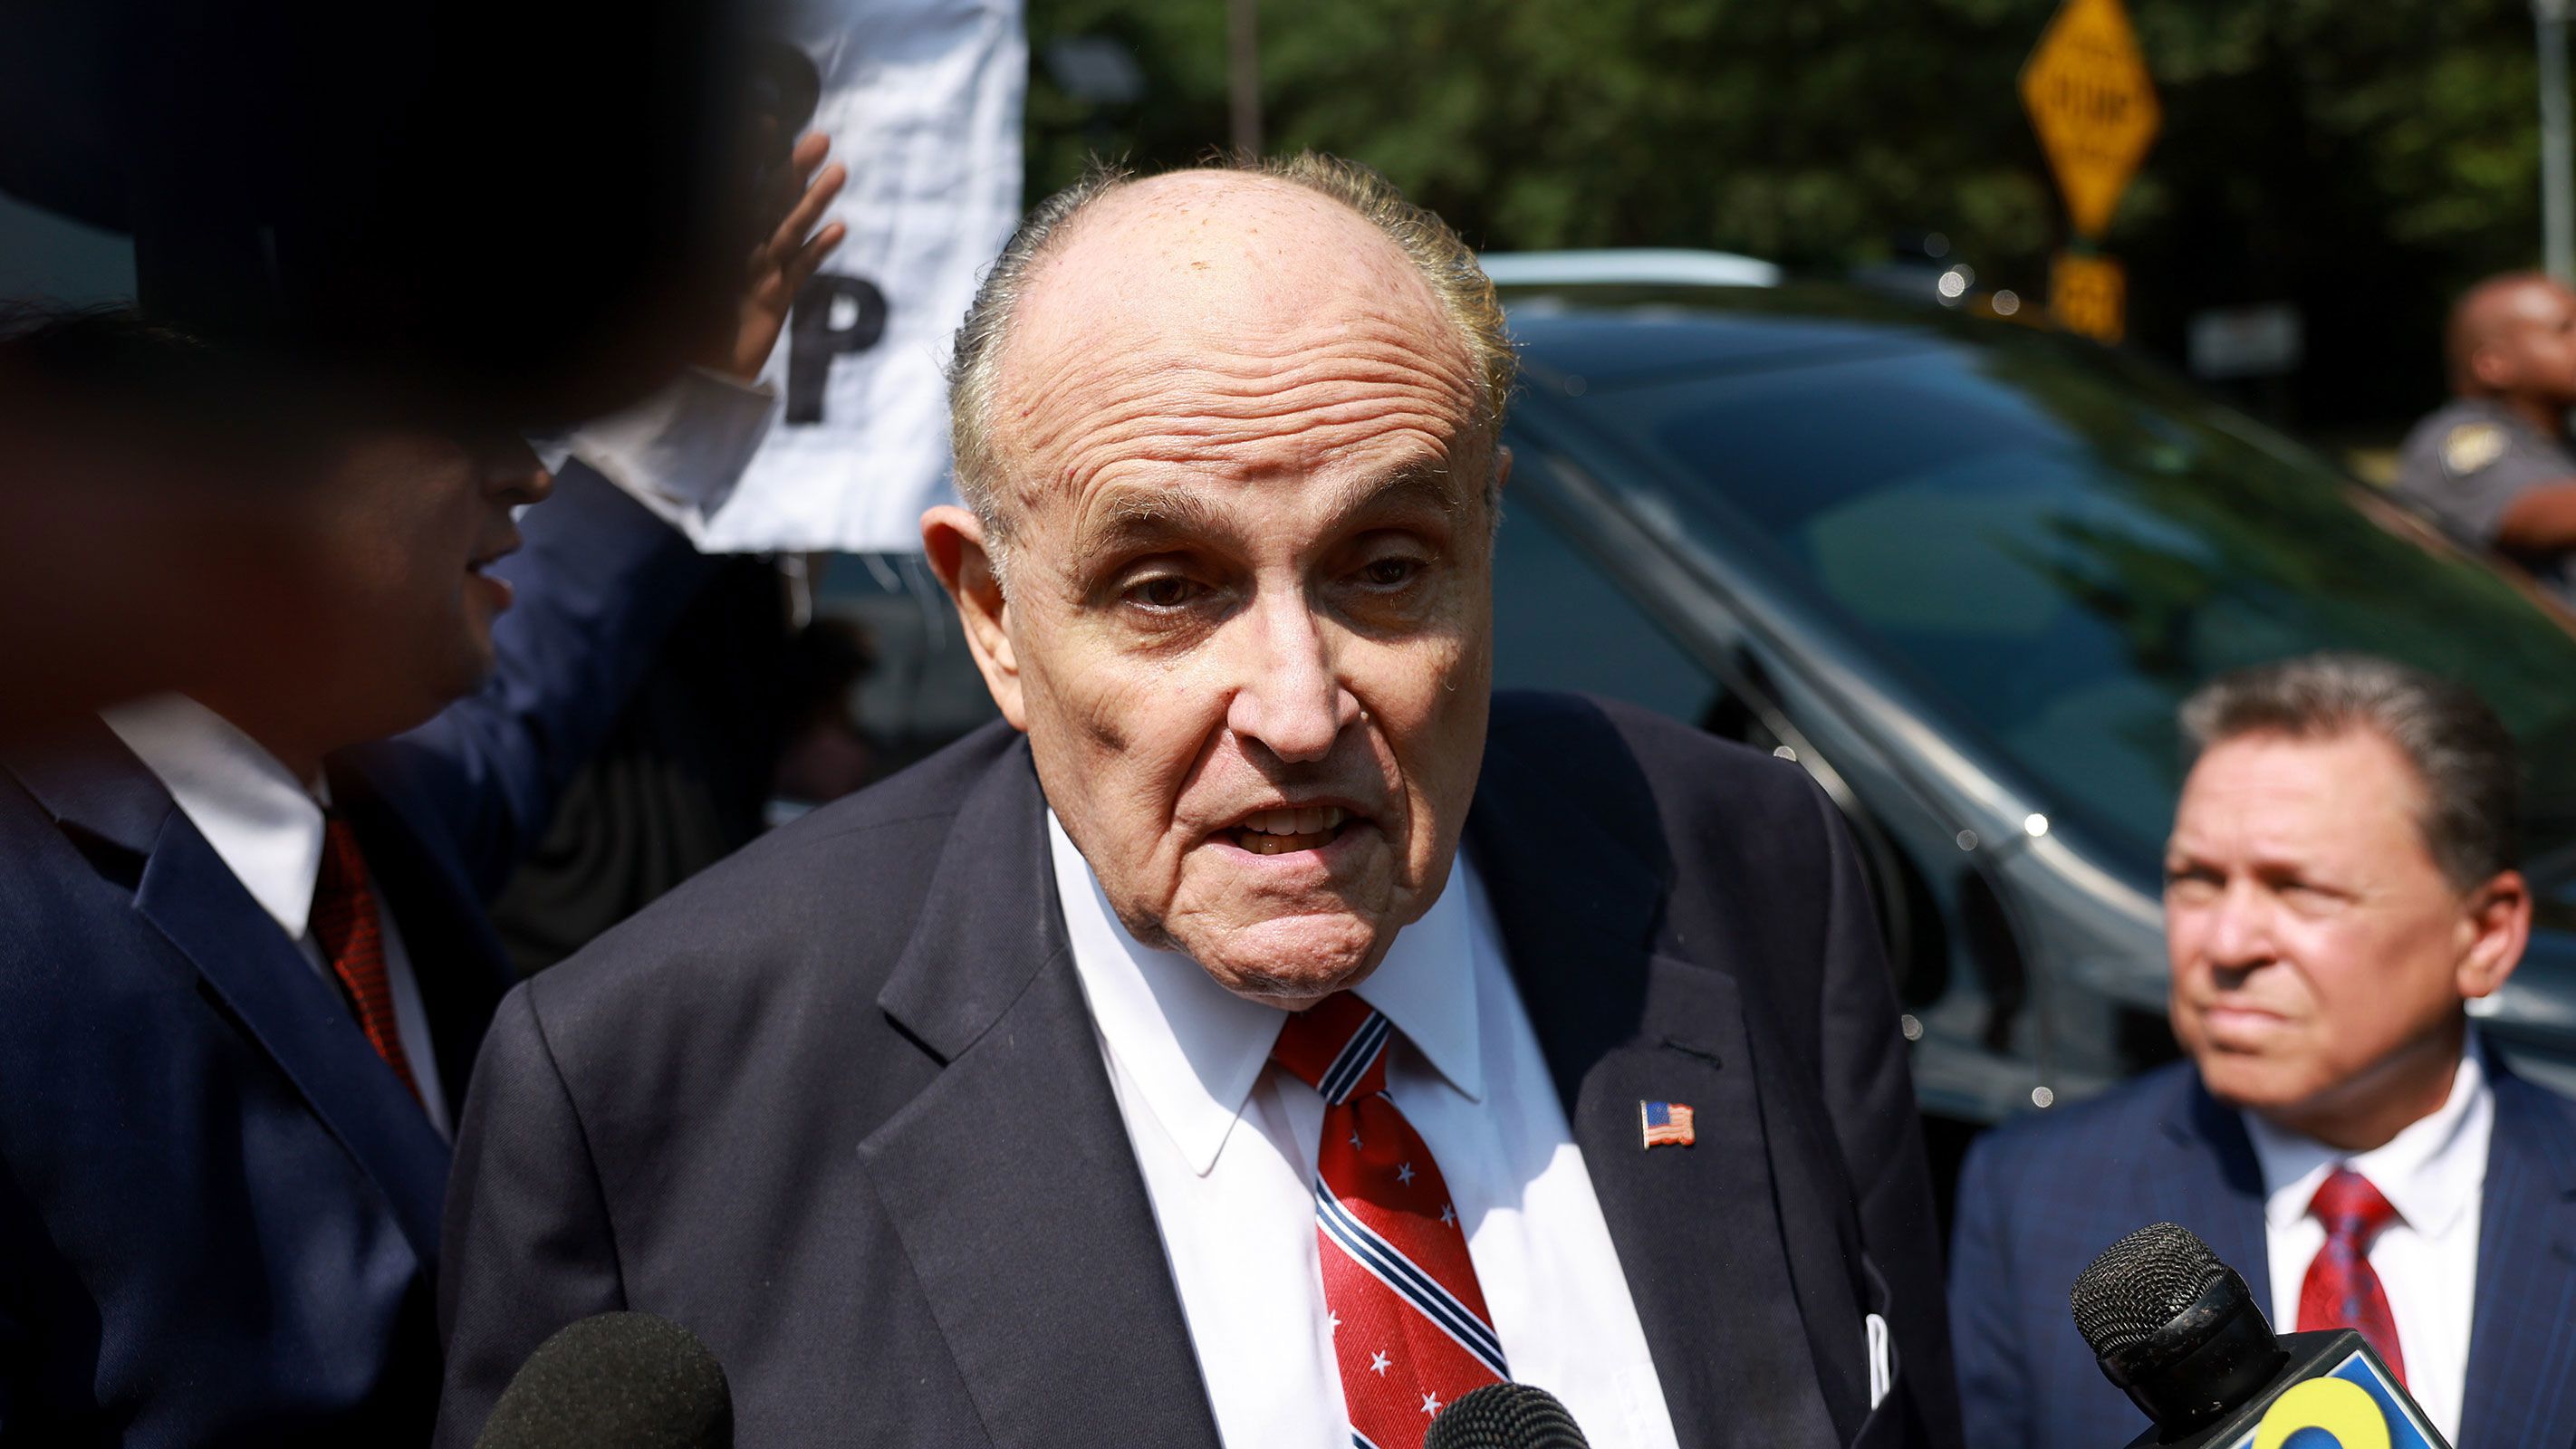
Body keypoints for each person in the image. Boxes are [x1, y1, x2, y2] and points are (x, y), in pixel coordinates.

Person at [434, 154, 1960, 1449]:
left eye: (1383, 567)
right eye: (1167, 591)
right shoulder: (654, 1088)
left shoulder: (1740, 868)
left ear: (1482, 537)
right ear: (990, 618)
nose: (1297, 708)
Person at [0, 141, 845, 1441]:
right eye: (463, 423)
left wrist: (688, 390)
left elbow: (548, 658)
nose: (531, 474)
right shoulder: (29, 916)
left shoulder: (384, 817)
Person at [1947, 654, 2576, 1448]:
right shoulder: (2034, 1198)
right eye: (2195, 879)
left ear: (2485, 935)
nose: (2227, 942)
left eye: (2301, 888)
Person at [2394, 273, 2576, 599]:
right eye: (2564, 329)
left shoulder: (2557, 442)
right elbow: (2524, 518)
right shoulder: (2456, 442)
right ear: (2495, 364)